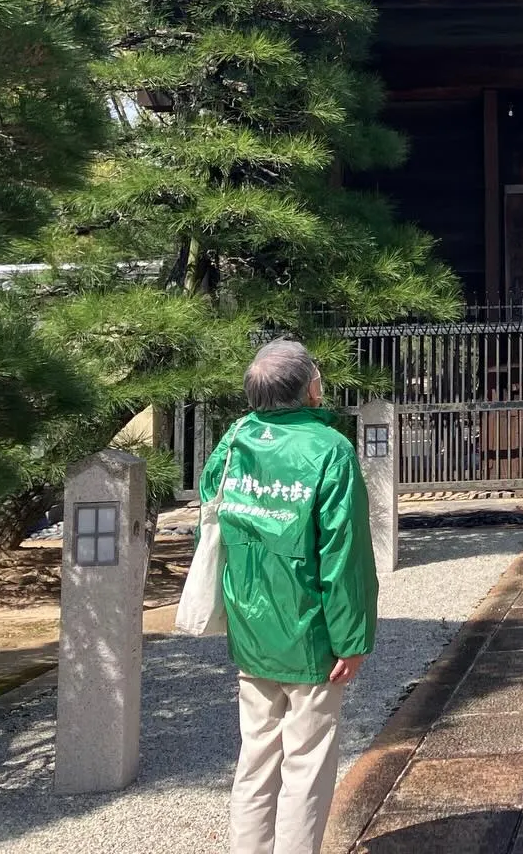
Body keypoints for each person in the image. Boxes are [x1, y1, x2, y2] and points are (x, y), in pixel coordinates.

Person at [199, 339, 379, 854]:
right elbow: (343, 554)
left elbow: (212, 519)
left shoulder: (234, 440)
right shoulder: (330, 450)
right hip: (310, 629)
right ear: (308, 387)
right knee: (306, 762)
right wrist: (352, 638)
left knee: (256, 758)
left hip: (250, 624)